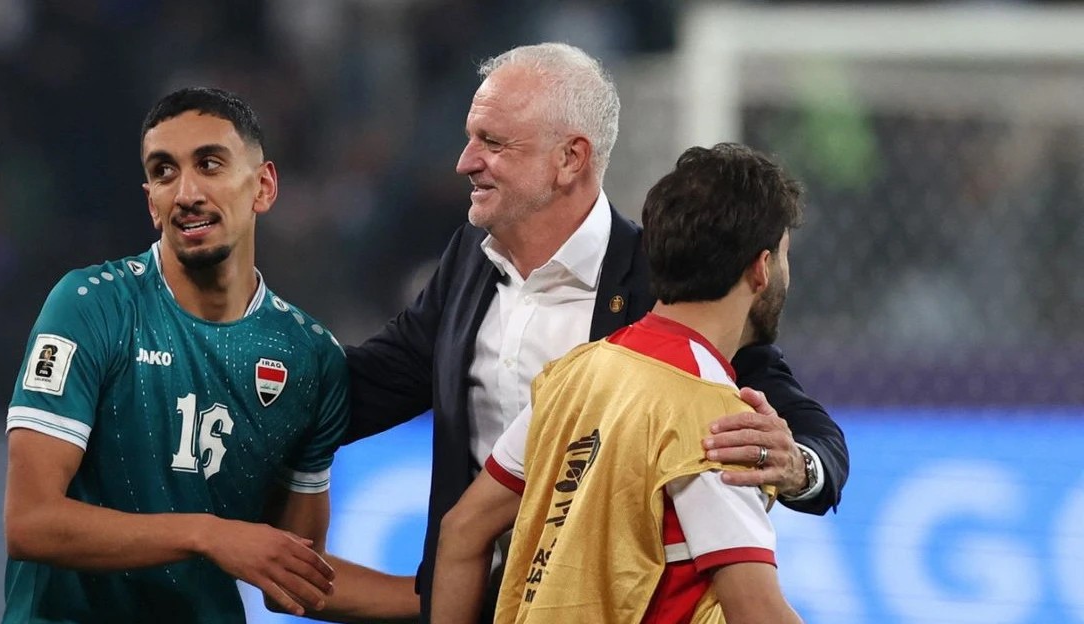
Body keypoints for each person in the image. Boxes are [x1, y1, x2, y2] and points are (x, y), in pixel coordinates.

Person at [344, 42, 847, 621]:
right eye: (471, 138)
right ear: (764, 268)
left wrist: (801, 466)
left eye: (493, 142)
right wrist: (262, 377)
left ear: (571, 158)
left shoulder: (669, 288)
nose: (465, 161)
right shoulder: (470, 264)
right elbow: (373, 387)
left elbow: (802, 426)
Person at [2, 87, 417, 623]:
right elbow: (31, 522)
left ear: (263, 187)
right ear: (151, 203)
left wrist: (455, 597)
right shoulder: (92, 306)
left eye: (210, 165)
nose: (187, 193)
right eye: (164, 172)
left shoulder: (310, 357)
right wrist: (207, 534)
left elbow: (296, 575)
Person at [433, 143, 807, 623]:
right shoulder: (718, 421)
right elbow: (759, 613)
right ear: (761, 268)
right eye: (784, 258)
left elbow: (462, 531)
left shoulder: (571, 376)